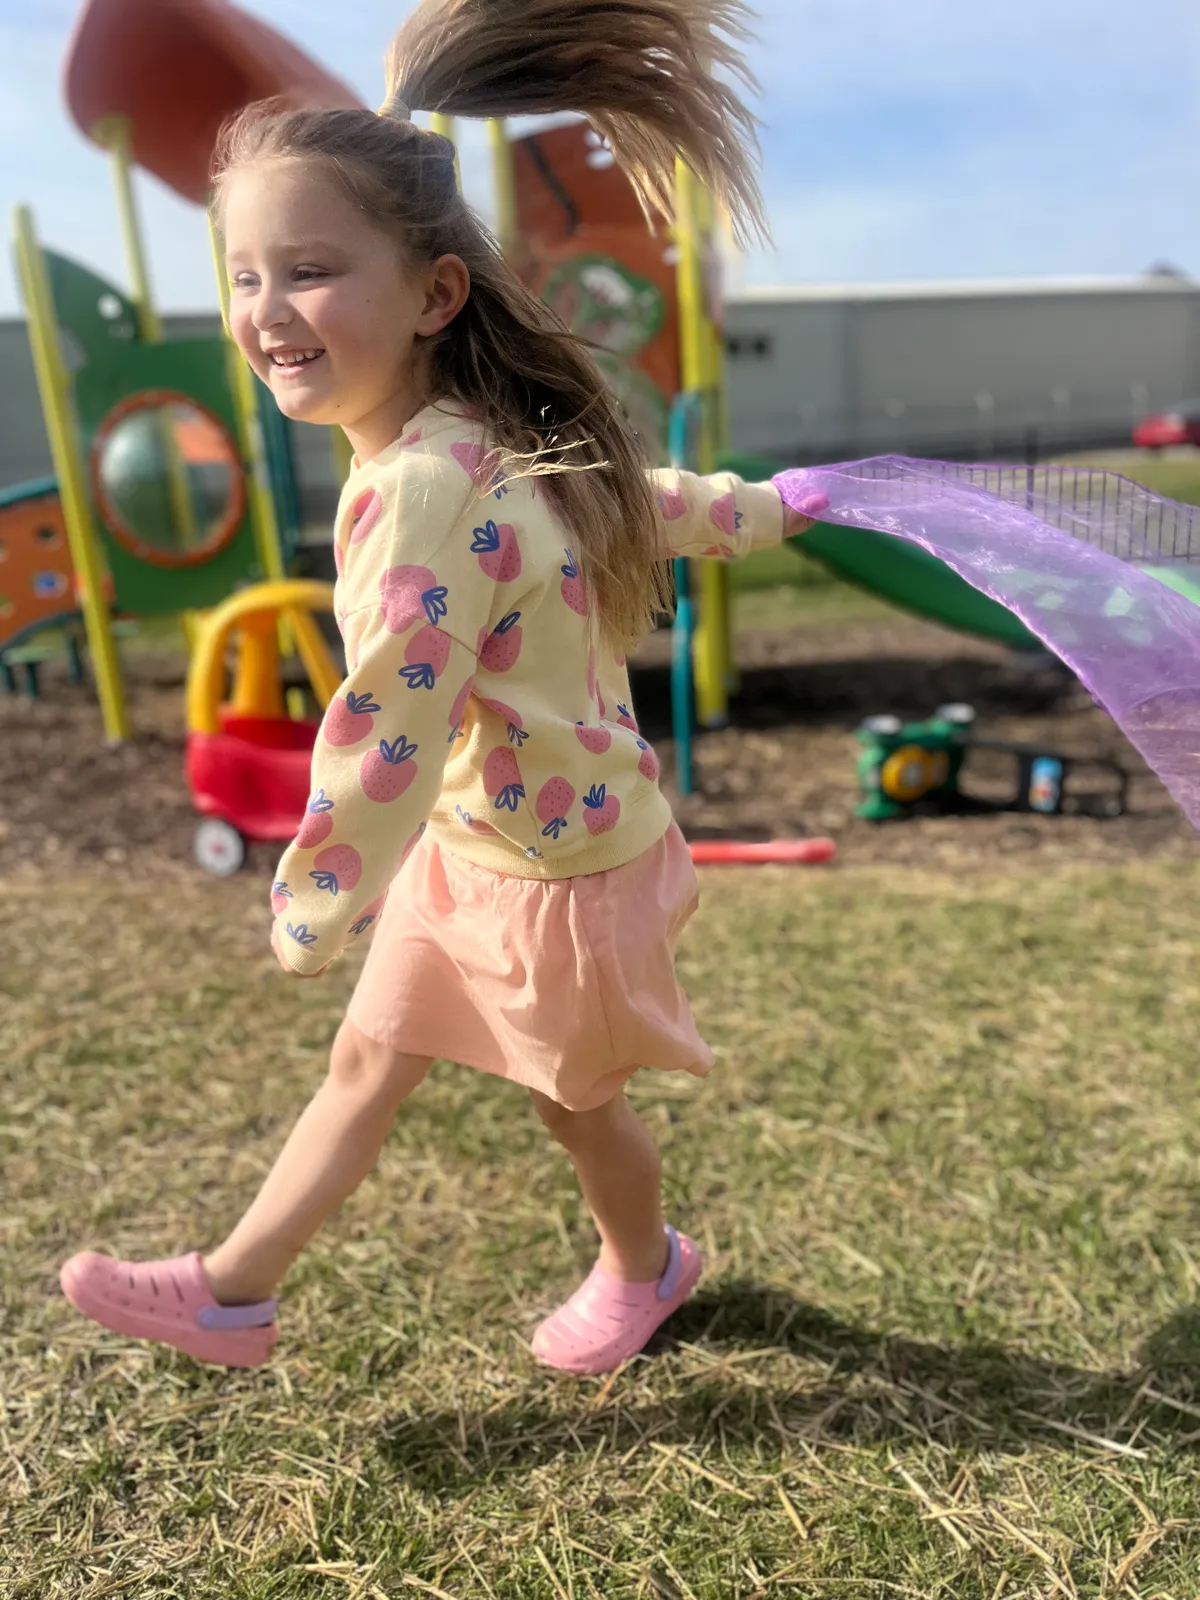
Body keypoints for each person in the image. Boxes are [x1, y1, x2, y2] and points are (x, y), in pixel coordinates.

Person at [59, 0, 823, 1377]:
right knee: (368, 1068)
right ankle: (234, 1291)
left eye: (307, 270)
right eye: (242, 275)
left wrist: (315, 892)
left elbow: (386, 727)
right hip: (481, 846)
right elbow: (634, 499)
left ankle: (648, 1268)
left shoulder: (416, 487)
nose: (266, 310)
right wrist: (762, 508)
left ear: (432, 295)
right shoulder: (456, 440)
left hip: (557, 871)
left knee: (579, 1110)